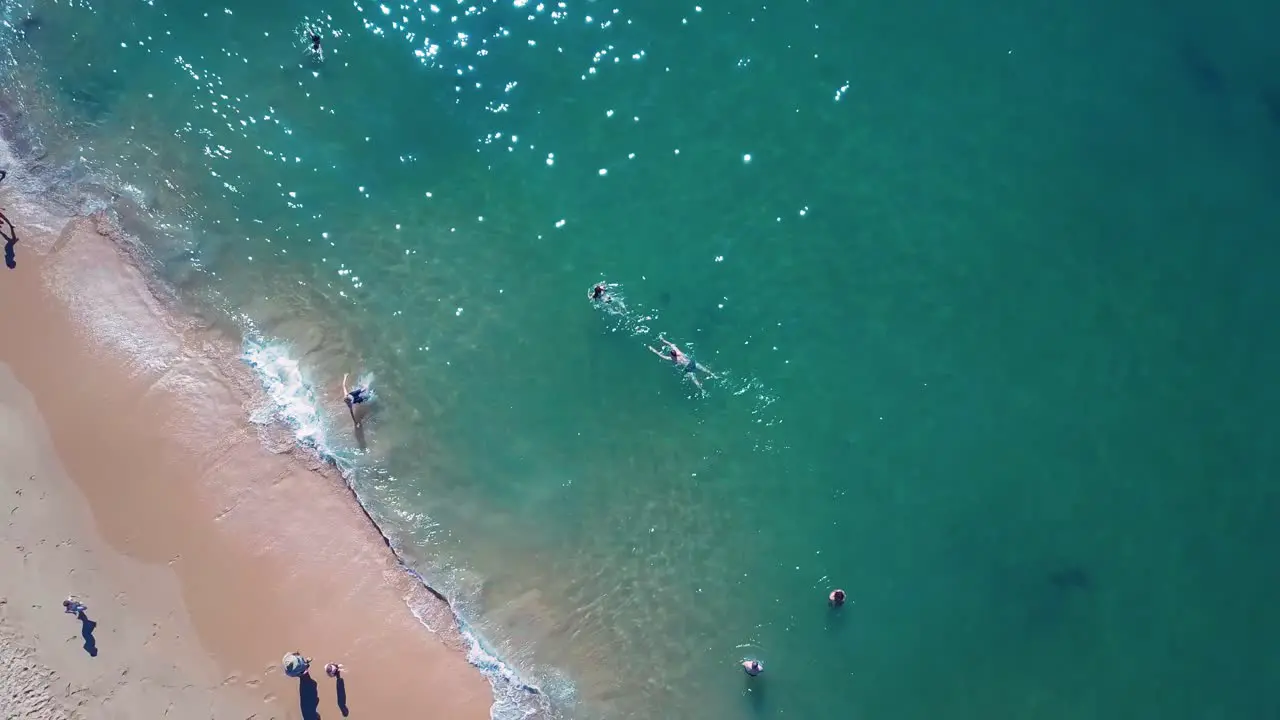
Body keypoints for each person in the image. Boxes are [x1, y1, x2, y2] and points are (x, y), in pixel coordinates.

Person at [648, 337, 717, 390]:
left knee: (694, 380)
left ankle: (701, 389)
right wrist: (663, 340)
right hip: (691, 362)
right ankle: (714, 375)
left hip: (688, 368)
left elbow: (660, 355)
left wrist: (653, 349)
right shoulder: (679, 352)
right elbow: (671, 344)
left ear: (672, 355)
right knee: (704, 369)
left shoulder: (672, 359)